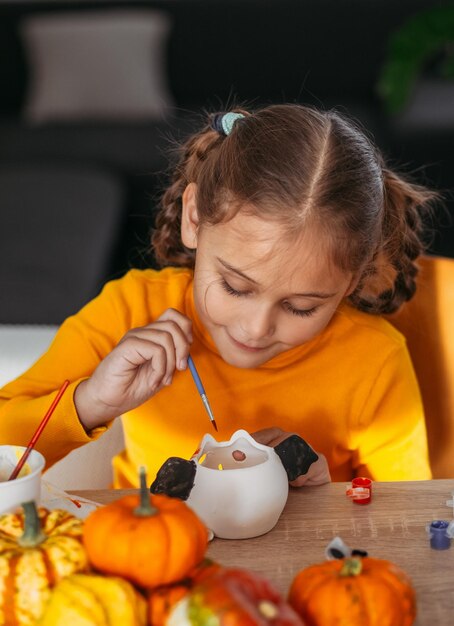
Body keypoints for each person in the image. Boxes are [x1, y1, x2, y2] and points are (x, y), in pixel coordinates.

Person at [0, 104, 437, 488]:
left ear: (356, 277)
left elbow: (412, 514)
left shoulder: (374, 359)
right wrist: (92, 402)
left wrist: (330, 497)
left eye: (302, 307)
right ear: (194, 218)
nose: (256, 327)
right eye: (235, 286)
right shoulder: (131, 309)